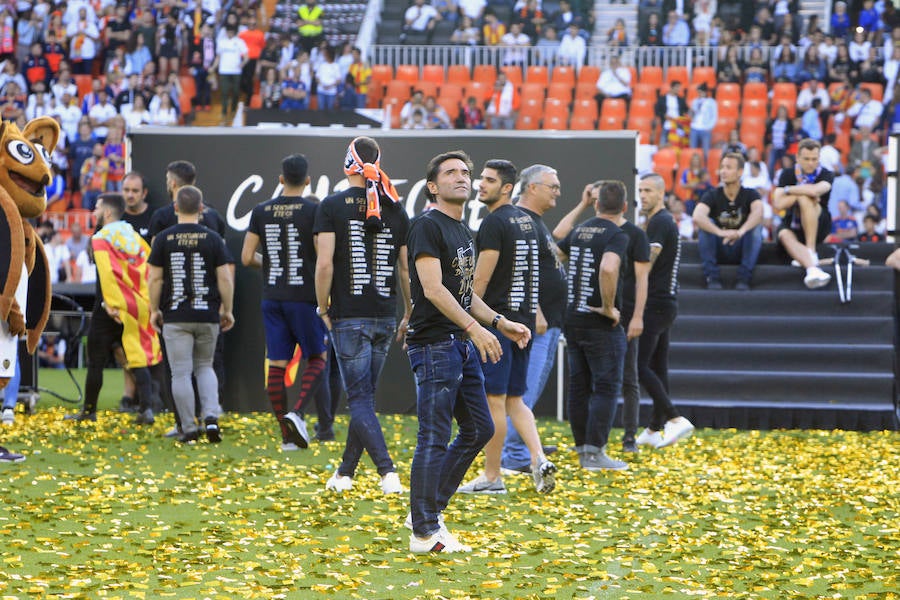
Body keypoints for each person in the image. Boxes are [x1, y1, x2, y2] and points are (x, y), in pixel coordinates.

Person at [406, 150, 531, 553]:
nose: (461, 177)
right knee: (434, 437)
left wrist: (498, 322)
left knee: (480, 428)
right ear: (432, 185)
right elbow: (432, 288)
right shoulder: (427, 226)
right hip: (434, 345)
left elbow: (464, 293)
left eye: (465, 171)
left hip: (458, 342)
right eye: (450, 172)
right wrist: (475, 328)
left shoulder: (464, 229)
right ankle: (424, 532)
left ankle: (426, 511)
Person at [313, 137, 410, 495]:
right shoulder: (396, 207)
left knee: (360, 400)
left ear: (346, 165)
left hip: (348, 315)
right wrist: (408, 313)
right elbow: (405, 271)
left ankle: (388, 473)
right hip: (386, 314)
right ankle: (344, 474)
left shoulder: (331, 206)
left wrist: (321, 306)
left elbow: (324, 264)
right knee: (364, 396)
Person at [456, 159, 556, 495]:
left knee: (495, 401)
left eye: (489, 180)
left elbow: (478, 283)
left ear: (508, 188)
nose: (479, 185)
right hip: (522, 323)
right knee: (516, 400)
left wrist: (464, 320)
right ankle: (538, 458)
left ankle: (492, 475)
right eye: (480, 179)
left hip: (498, 325)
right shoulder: (530, 223)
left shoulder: (494, 224)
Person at [241, 154, 329, 451]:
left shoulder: (261, 210)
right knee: (317, 357)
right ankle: (299, 413)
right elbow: (320, 258)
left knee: (277, 365)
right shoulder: (313, 209)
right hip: (304, 298)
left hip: (272, 296)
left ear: (280, 180)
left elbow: (246, 257)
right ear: (307, 181)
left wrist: (271, 263)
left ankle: (287, 437)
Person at [65, 193, 162, 424]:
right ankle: (146, 409)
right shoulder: (136, 238)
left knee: (96, 361)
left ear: (107, 212)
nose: (94, 212)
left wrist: (110, 303)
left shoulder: (100, 239)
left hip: (109, 307)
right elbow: (148, 269)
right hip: (135, 306)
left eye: (97, 208)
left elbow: (107, 274)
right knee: (137, 357)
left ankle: (89, 411)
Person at [148, 185, 234, 444]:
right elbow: (225, 278)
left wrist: (154, 310)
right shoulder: (213, 238)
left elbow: (154, 279)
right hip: (207, 314)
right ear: (201, 208)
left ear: (175, 208)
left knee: (181, 373)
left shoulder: (163, 238)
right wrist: (227, 309)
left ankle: (188, 427)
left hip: (175, 315)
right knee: (205, 366)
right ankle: (210, 416)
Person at [555, 181, 630, 469]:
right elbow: (609, 267)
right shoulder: (617, 234)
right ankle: (596, 452)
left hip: (572, 318)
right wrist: (609, 308)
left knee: (579, 386)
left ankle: (582, 450)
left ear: (596, 204)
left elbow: (555, 252)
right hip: (599, 323)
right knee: (607, 386)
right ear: (623, 207)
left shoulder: (580, 230)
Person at [500, 165, 565, 474]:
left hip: (547, 322)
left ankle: (520, 446)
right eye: (552, 186)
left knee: (526, 389)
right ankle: (512, 453)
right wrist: (536, 310)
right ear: (532, 188)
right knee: (526, 390)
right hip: (536, 323)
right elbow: (519, 269)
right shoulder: (521, 222)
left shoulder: (534, 222)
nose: (557, 192)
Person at [634, 174, 695, 449]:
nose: (642, 195)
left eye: (647, 190)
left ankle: (674, 417)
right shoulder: (662, 221)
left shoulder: (659, 222)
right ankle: (654, 427)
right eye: (640, 190)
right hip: (665, 302)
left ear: (661, 193)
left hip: (655, 303)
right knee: (657, 366)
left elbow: (645, 261)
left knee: (639, 366)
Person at [693, 152, 764, 290]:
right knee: (705, 226)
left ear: (740, 172)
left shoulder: (750, 194)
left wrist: (740, 232)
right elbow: (698, 215)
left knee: (756, 227)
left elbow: (758, 213)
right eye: (722, 167)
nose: (723, 171)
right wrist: (720, 233)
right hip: (719, 245)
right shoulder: (712, 194)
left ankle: (744, 277)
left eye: (729, 167)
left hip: (741, 245)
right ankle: (712, 277)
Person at [773, 138, 834, 289]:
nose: (811, 163)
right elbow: (778, 203)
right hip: (792, 222)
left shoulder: (826, 174)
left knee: (805, 199)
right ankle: (812, 268)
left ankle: (811, 250)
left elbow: (815, 190)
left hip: (819, 221)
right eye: (806, 159)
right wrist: (803, 193)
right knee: (783, 234)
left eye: (814, 159)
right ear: (798, 158)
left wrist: (788, 190)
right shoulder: (787, 174)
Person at [689, 83, 717, 161]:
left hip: (705, 128)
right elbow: (692, 114)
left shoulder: (711, 102)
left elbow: (714, 116)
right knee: (693, 150)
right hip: (694, 127)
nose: (699, 94)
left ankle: (704, 167)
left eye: (700, 92)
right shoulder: (695, 101)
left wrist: (709, 127)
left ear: (705, 92)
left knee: (705, 151)